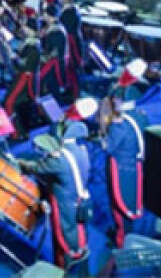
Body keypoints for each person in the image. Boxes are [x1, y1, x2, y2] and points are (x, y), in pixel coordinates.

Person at [19, 122, 93, 277]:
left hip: (63, 205)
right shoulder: (82, 151)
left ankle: (64, 271)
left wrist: (21, 163)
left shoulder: (59, 159)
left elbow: (37, 168)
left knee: (63, 240)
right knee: (78, 235)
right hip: (79, 201)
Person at [99, 95, 146, 247]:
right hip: (134, 166)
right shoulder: (138, 117)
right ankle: (127, 234)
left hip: (121, 170)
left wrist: (103, 132)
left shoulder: (118, 127)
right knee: (130, 202)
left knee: (120, 207)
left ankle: (122, 241)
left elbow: (108, 147)